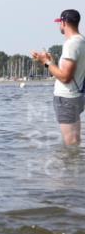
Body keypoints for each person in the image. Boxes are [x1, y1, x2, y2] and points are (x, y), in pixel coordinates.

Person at [31, 9, 84, 146]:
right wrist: (51, 62)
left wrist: (46, 62)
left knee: (71, 145)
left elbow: (65, 77)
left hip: (66, 98)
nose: (59, 26)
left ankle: (71, 167)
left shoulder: (71, 44)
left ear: (64, 23)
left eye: (59, 22)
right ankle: (75, 166)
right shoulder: (81, 41)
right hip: (77, 96)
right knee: (75, 144)